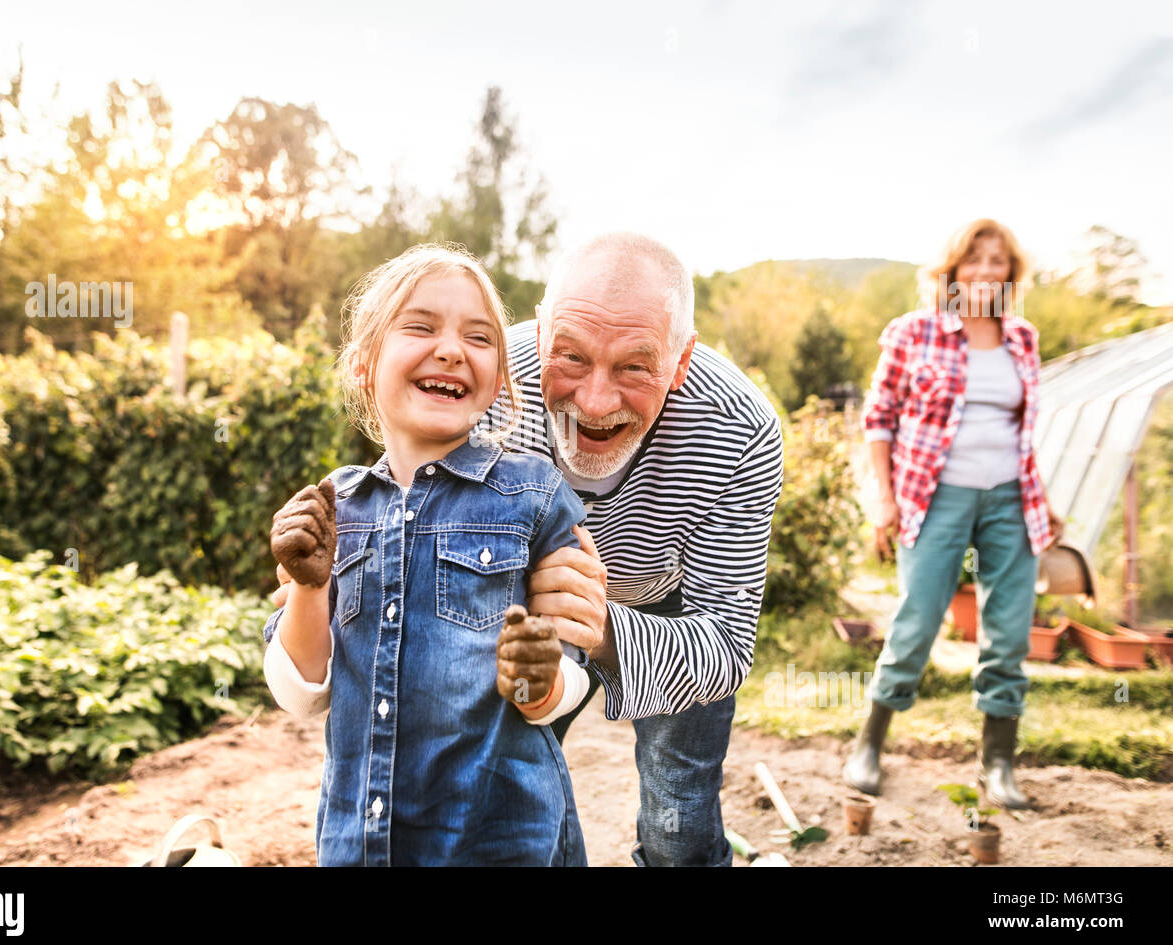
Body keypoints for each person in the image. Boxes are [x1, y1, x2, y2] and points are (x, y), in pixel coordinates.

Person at [260, 243, 593, 865]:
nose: (449, 349)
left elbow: (572, 673)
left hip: (499, 841)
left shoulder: (534, 496)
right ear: (364, 363)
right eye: (419, 326)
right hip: (364, 842)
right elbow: (301, 693)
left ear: (496, 380)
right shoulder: (336, 507)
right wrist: (309, 590)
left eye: (478, 337)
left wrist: (538, 683)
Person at [469, 232, 784, 866]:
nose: (595, 401)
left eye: (635, 367)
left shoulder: (741, 431)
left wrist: (603, 626)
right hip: (527, 607)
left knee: (680, 817)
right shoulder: (487, 385)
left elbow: (724, 642)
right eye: (573, 358)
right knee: (501, 796)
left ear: (681, 360)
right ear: (540, 330)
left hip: (671, 606)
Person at [844, 218, 1064, 809]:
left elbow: (1021, 433)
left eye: (999, 262)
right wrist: (884, 500)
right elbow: (879, 419)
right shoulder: (914, 332)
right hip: (932, 495)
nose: (987, 271)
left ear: (1010, 274)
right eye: (976, 260)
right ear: (954, 270)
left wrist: (1043, 499)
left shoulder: (1023, 338)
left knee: (1010, 632)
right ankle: (869, 744)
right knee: (916, 621)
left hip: (1011, 500)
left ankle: (998, 764)